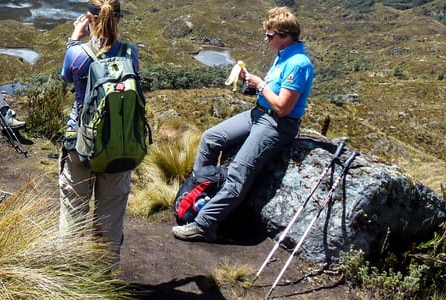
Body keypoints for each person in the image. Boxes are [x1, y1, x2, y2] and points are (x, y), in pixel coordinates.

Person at [172, 7, 314, 242]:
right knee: (211, 138)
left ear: (285, 35)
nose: (266, 39)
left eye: (270, 36)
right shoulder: (284, 55)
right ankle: (202, 191)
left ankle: (204, 225)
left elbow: (282, 107)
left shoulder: (298, 64)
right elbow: (270, 92)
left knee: (238, 173)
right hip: (258, 113)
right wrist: (249, 81)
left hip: (277, 123)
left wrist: (259, 85)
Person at [58, 0, 139, 262]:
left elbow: (66, 77)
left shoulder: (77, 53)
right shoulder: (130, 53)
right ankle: (103, 276)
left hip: (80, 142)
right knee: (110, 215)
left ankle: (67, 274)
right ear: (119, 18)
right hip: (118, 145)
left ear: (89, 18)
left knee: (73, 211)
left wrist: (74, 38)